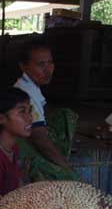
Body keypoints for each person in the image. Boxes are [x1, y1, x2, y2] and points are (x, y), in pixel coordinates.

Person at [14, 38, 79, 181]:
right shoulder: (27, 94)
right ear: (23, 66)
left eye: (50, 63)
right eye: (41, 64)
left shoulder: (29, 87)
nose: (48, 69)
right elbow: (39, 138)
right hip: (23, 154)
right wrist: (65, 167)